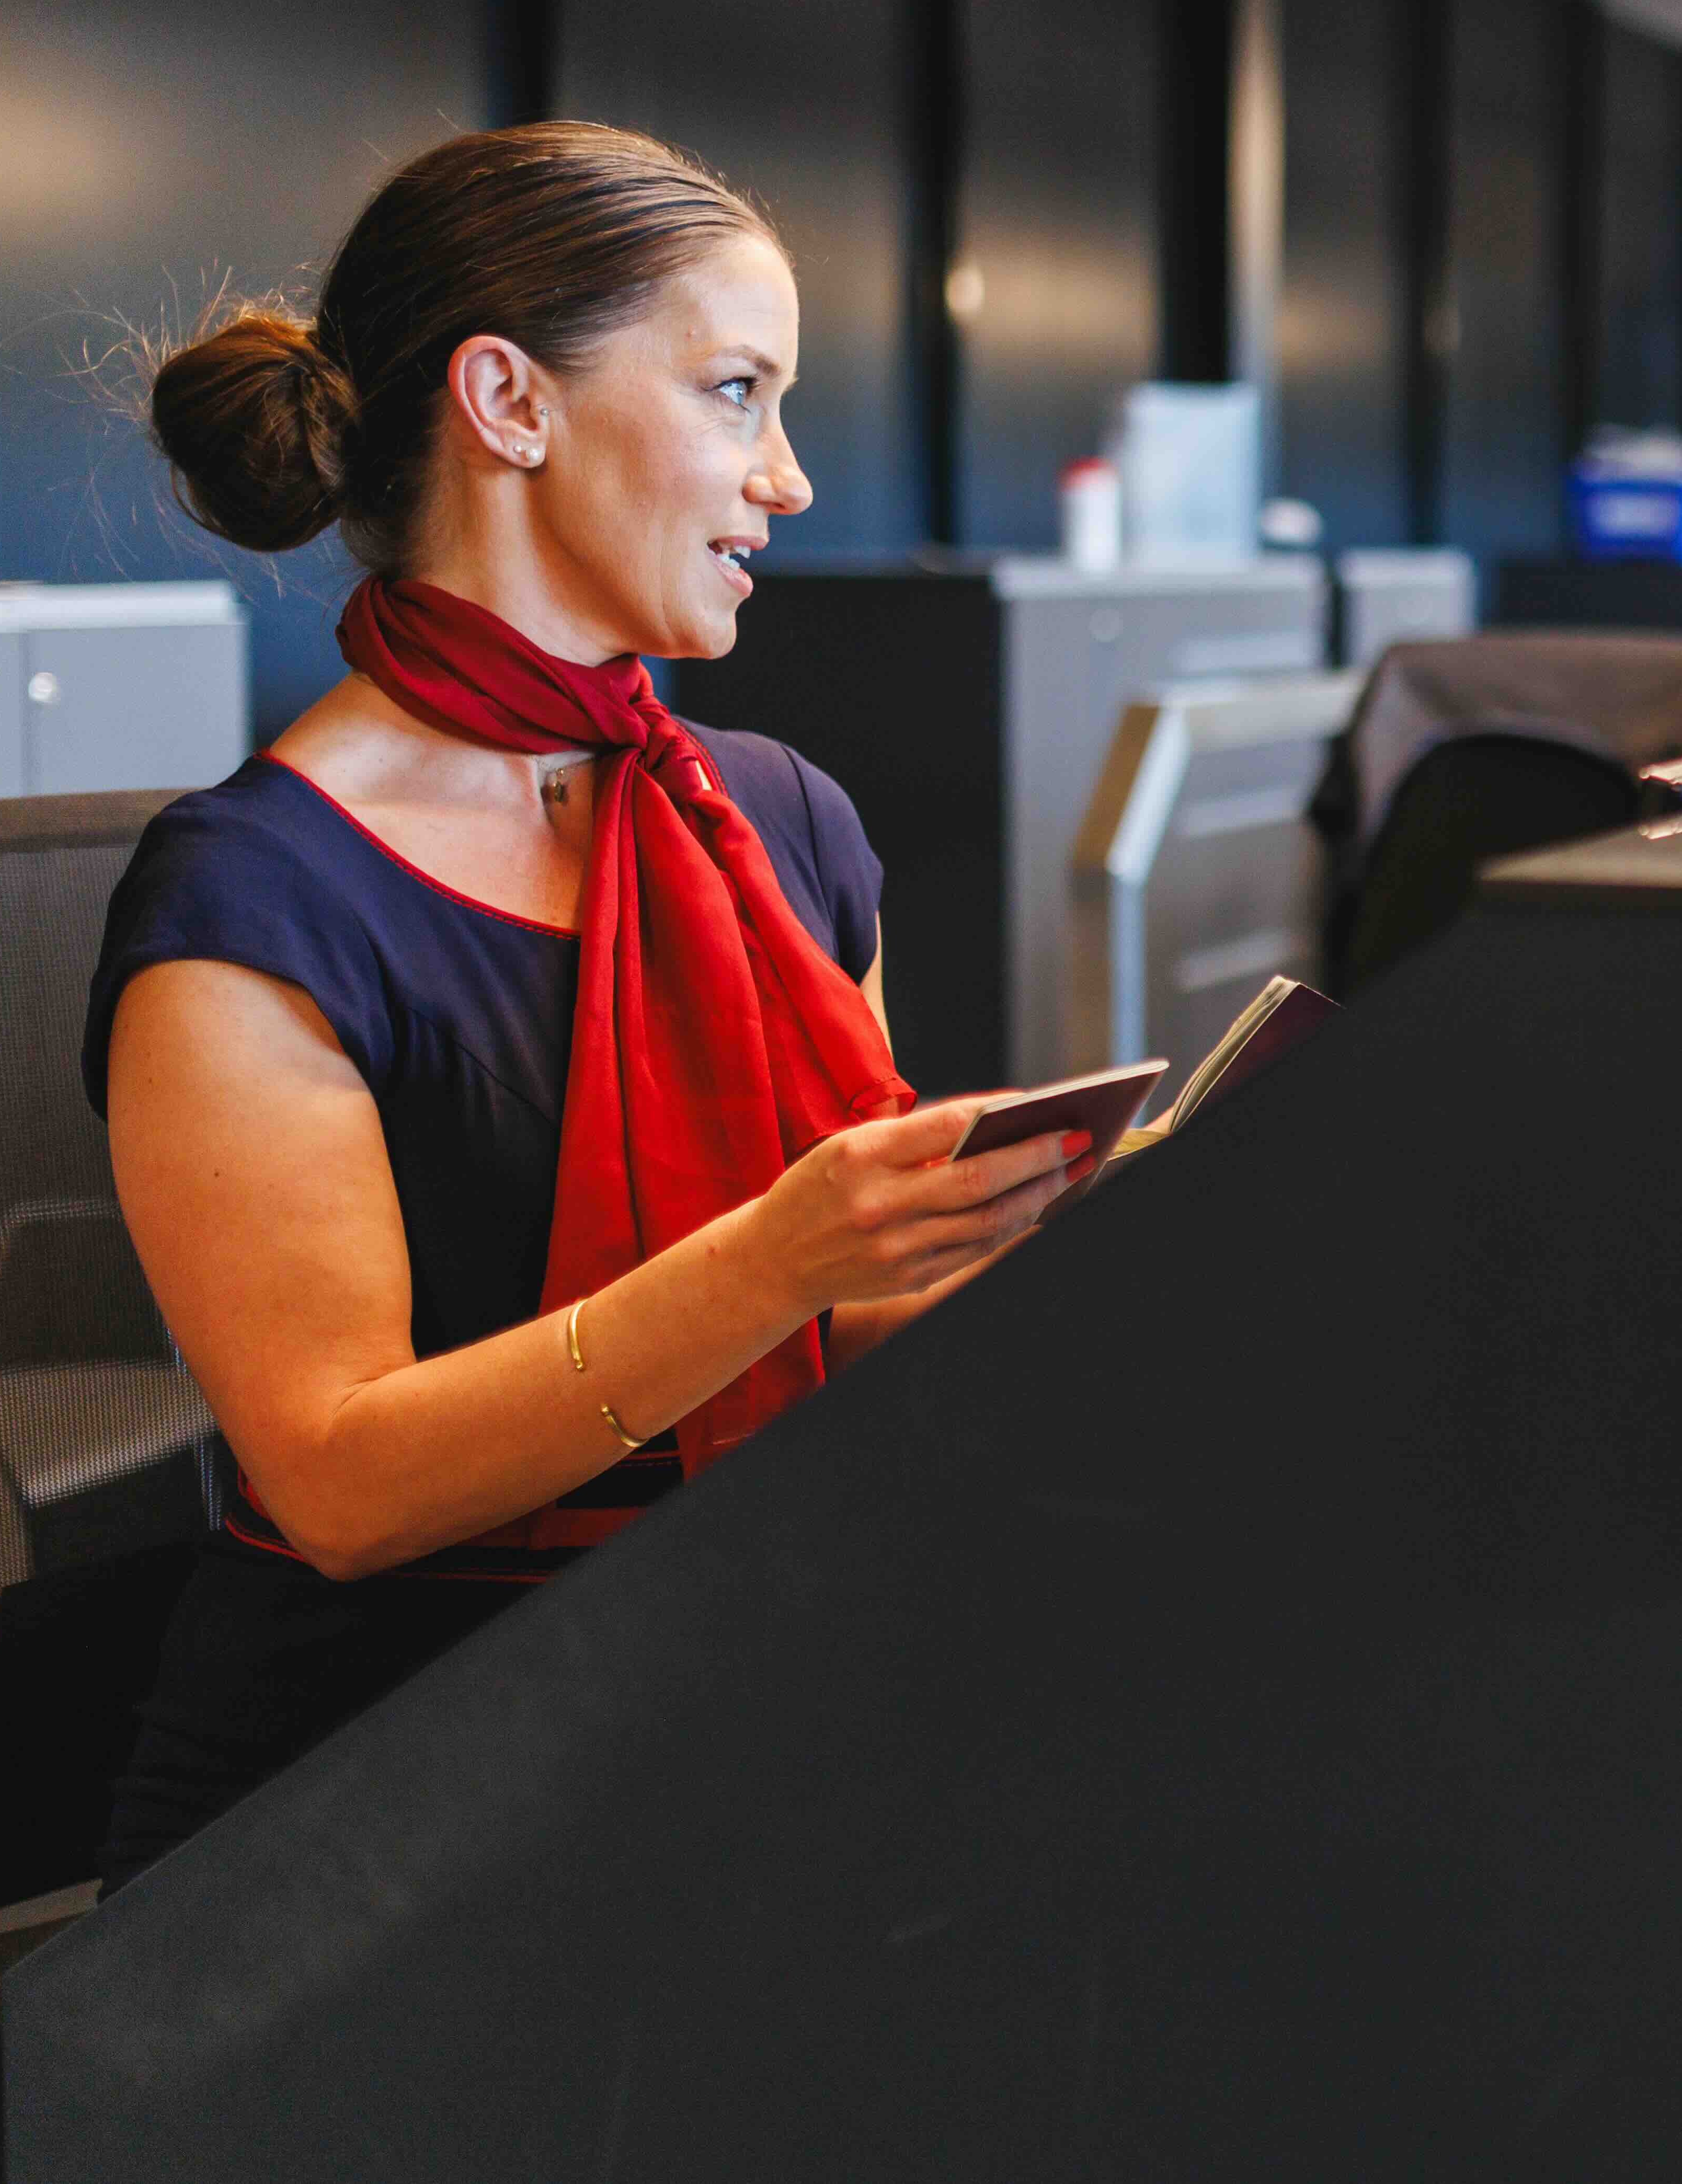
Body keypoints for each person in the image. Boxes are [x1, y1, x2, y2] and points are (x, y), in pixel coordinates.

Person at [89, 124, 1088, 1884]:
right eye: (735, 392)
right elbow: (340, 1486)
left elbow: (839, 1342)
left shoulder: (780, 817)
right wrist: (782, 1255)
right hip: (361, 1804)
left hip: (726, 1680)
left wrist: (1036, 1244)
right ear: (509, 403)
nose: (785, 480)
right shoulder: (250, 903)